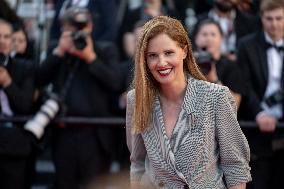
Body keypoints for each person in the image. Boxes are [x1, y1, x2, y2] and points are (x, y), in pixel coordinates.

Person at [126, 16, 251, 189]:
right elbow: (138, 163)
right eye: (152, 56)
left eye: (169, 53)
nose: (161, 63)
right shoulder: (136, 99)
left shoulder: (216, 96)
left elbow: (235, 166)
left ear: (184, 51)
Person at [36, 7, 121, 189]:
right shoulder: (57, 51)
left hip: (95, 135)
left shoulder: (105, 50)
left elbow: (115, 83)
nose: (77, 32)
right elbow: (39, 79)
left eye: (82, 26)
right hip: (64, 132)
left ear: (90, 27)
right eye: (71, 28)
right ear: (62, 29)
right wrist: (59, 52)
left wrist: (90, 57)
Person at [237, 0, 284, 188]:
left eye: (279, 18)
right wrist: (260, 113)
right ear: (261, 19)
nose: (274, 24)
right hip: (254, 126)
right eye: (269, 19)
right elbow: (245, 85)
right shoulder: (246, 45)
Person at [0, 19, 36, 189]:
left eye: (7, 36)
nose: (2, 41)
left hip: (14, 146)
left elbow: (25, 106)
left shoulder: (25, 67)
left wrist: (7, 82)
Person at [193, 18, 244, 109]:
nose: (208, 39)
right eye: (204, 34)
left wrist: (214, 80)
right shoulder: (188, 64)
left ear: (221, 39)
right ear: (196, 38)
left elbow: (233, 106)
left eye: (213, 34)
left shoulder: (230, 66)